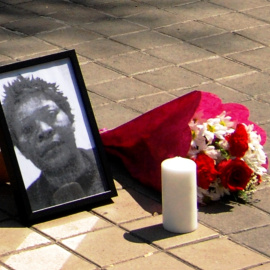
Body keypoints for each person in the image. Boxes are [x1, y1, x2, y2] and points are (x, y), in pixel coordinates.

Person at [2, 75, 105, 211]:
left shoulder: (107, 164)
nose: (44, 131)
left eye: (50, 114)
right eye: (28, 129)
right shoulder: (31, 202)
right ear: (21, 149)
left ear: (70, 118)